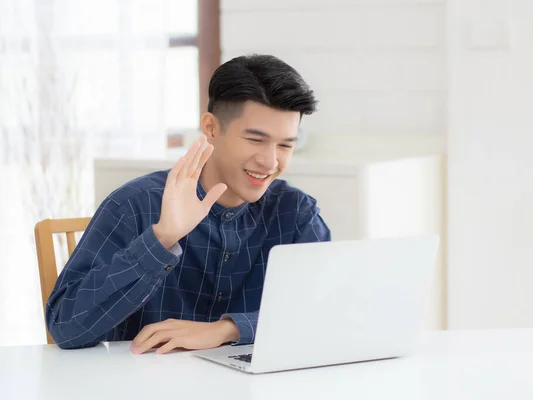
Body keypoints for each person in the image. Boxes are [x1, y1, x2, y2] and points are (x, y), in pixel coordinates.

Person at [46, 54, 331, 354]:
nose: (270, 161)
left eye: (286, 144)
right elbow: (66, 327)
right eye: (255, 140)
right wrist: (161, 239)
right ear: (210, 128)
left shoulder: (296, 213)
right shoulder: (134, 205)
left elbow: (327, 314)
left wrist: (227, 329)